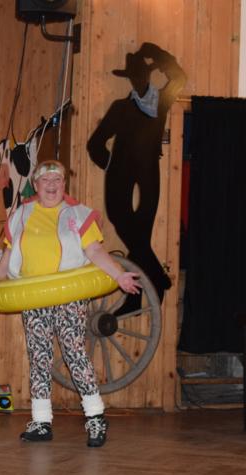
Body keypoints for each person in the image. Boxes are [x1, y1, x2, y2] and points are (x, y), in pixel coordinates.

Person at [0, 160, 141, 447]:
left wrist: (119, 275)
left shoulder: (78, 214)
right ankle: (41, 421)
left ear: (64, 184)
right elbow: (10, 254)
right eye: (45, 180)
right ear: (35, 185)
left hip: (68, 296)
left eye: (57, 180)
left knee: (74, 353)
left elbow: (94, 250)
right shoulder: (21, 215)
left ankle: (95, 417)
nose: (51, 185)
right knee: (39, 356)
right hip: (33, 297)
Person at [87, 42, 186, 312]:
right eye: (133, 76)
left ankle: (134, 298)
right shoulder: (121, 108)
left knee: (139, 237)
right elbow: (95, 144)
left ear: (148, 76)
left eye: (141, 75)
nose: (137, 80)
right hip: (120, 175)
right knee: (126, 225)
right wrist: (112, 166)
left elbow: (180, 77)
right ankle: (156, 276)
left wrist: (156, 54)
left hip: (148, 175)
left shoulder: (161, 103)